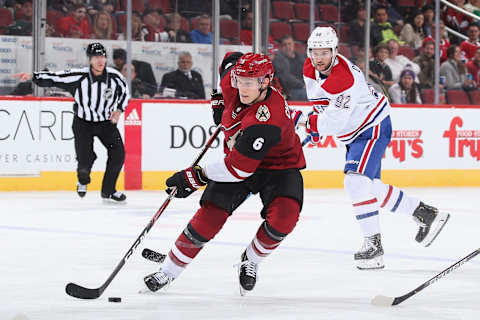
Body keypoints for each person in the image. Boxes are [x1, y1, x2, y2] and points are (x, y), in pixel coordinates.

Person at [143, 52, 306, 295]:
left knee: (285, 217)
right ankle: (168, 271)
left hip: (278, 166)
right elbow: (228, 64)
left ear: (265, 83)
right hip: (240, 159)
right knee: (210, 215)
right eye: (239, 80)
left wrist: (194, 176)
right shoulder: (234, 81)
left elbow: (239, 168)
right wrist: (219, 101)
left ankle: (251, 260)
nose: (242, 87)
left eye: (249, 83)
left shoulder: (267, 116)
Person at [302, 26, 449, 270]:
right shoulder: (309, 67)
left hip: (371, 127)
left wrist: (311, 123)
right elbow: (322, 104)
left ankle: (373, 246)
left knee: (355, 182)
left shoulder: (344, 78)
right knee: (369, 187)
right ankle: (425, 214)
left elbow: (337, 120)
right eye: (314, 52)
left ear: (335, 52)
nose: (318, 58)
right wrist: (316, 124)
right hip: (354, 132)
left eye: (324, 53)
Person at [12, 43, 130, 202]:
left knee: (118, 153)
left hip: (105, 123)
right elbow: (55, 77)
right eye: (96, 57)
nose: (100, 61)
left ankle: (108, 190)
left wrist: (119, 110)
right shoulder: (79, 76)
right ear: (90, 60)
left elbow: (124, 92)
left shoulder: (115, 77)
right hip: (83, 123)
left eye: (102, 57)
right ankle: (82, 180)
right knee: (85, 159)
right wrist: (33, 76)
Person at [272, 35, 307, 101]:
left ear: (294, 45)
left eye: (289, 44)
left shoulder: (300, 57)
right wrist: (302, 85)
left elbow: (308, 71)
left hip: (302, 87)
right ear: (281, 47)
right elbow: (286, 77)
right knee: (308, 95)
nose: (288, 46)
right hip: (289, 90)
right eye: (285, 44)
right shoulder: (278, 59)